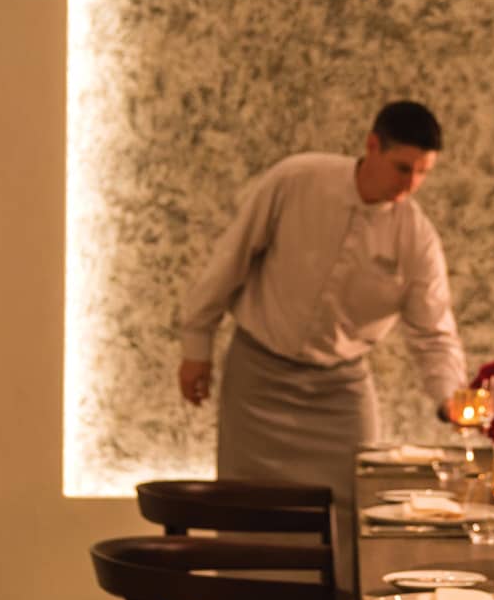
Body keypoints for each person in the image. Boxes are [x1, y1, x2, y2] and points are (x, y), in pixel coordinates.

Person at [177, 100, 468, 560]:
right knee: (247, 512)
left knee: (350, 517)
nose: (410, 184)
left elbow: (434, 332)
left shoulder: (416, 236)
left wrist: (450, 397)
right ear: (372, 145)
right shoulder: (296, 181)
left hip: (340, 392)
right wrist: (197, 344)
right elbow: (230, 260)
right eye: (402, 168)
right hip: (257, 382)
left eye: (422, 173)